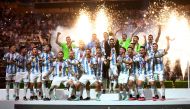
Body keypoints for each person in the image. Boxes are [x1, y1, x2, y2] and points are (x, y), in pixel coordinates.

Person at [151, 36, 170, 101]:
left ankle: (163, 96)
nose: (154, 47)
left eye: (155, 46)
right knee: (154, 83)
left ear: (157, 47)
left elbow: (167, 48)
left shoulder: (161, 50)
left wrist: (167, 40)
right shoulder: (150, 53)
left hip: (160, 70)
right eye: (153, 46)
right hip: (154, 71)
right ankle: (156, 95)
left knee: (161, 82)